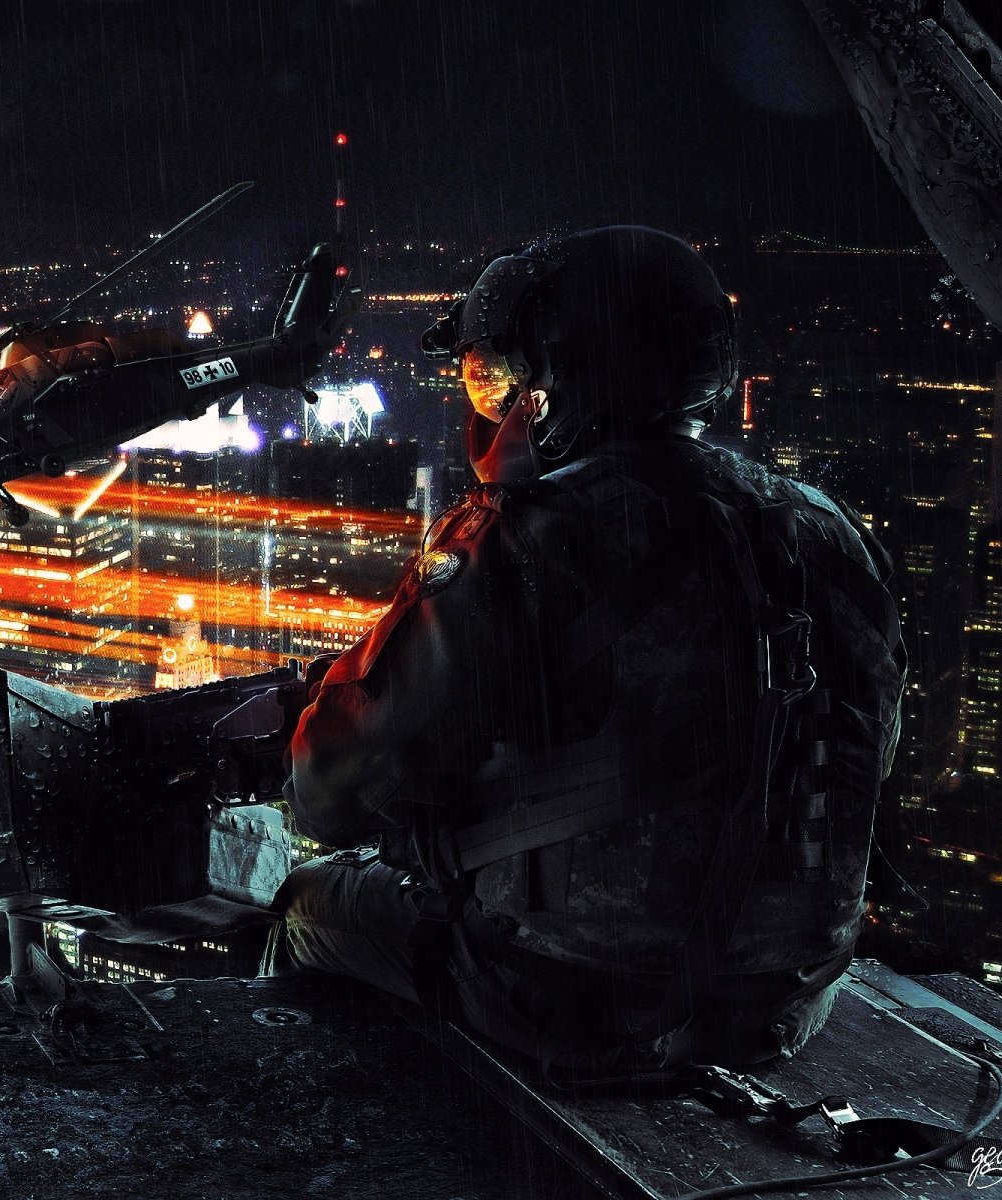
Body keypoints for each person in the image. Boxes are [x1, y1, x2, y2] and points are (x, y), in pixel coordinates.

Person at [265, 226, 907, 1082]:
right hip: (785, 1004)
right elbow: (867, 755)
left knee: (306, 905)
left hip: (573, 999)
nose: (495, 408)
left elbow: (327, 796)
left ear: (556, 381)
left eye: (499, 382)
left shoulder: (532, 536)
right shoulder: (830, 531)